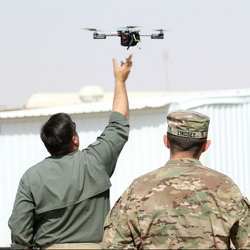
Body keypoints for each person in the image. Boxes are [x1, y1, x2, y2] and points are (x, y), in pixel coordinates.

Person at [8, 55, 133, 249]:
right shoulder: (95, 161)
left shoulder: (31, 178)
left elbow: (19, 232)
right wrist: (120, 81)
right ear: (75, 139)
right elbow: (119, 124)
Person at [102, 110, 250, 249]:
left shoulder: (138, 188)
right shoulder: (226, 188)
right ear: (205, 146)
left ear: (166, 141)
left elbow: (113, 244)